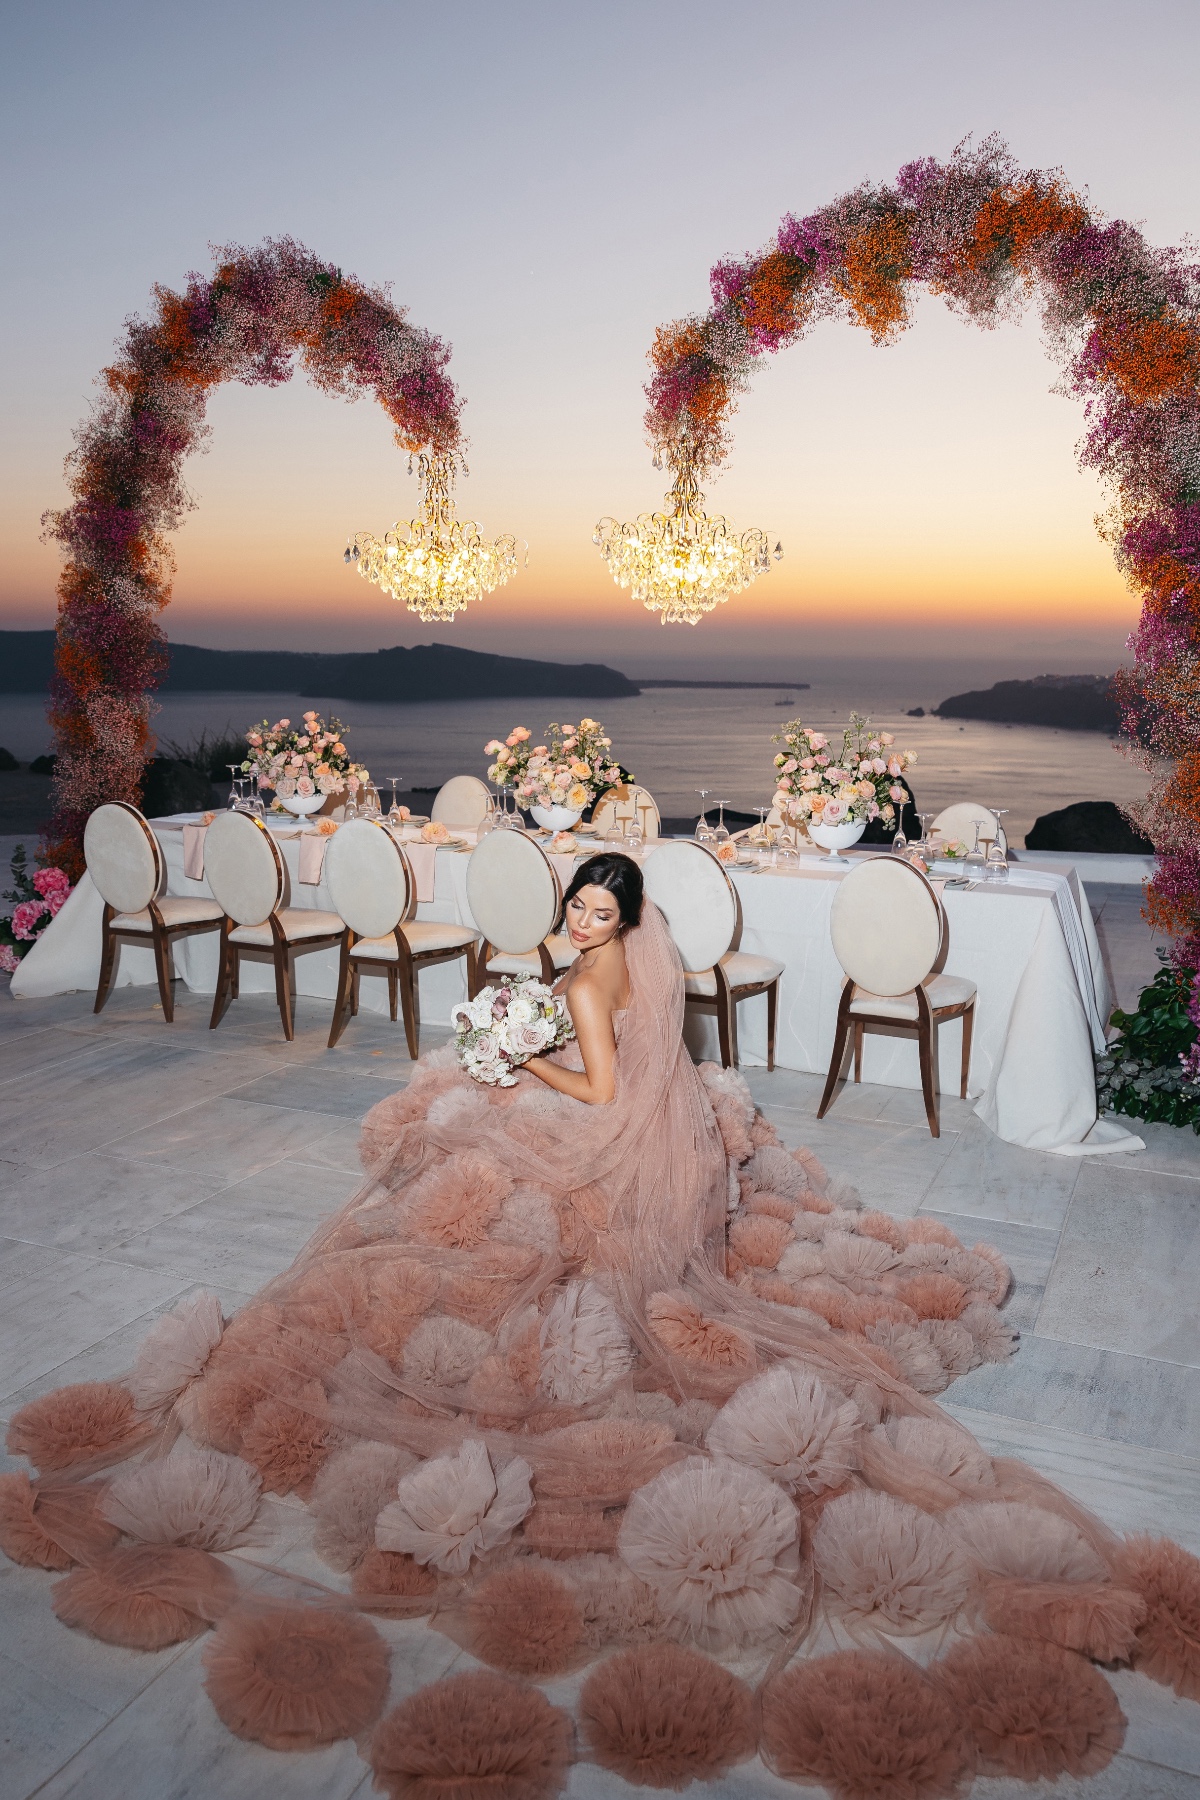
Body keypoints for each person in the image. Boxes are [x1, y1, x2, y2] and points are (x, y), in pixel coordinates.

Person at [2, 850, 1189, 1786]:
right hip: (664, 1132)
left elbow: (605, 1090)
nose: (579, 920)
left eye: (595, 911)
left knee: (454, 1158)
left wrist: (520, 1057)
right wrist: (531, 1029)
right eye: (575, 905)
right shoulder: (614, 967)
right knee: (465, 1106)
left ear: (621, 925)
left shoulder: (589, 977)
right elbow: (626, 1052)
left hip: (623, 1147)